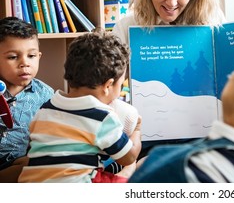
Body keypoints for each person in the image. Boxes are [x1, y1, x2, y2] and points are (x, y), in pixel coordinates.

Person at [18, 29, 142, 183]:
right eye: (121, 85)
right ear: (108, 85)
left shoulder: (44, 109)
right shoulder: (103, 117)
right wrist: (136, 131)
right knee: (136, 171)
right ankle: (130, 173)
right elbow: (128, 156)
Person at [0, 17, 54, 183]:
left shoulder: (45, 94)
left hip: (19, 162)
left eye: (31, 56)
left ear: (39, 56)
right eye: (13, 57)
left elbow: (49, 135)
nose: (24, 63)